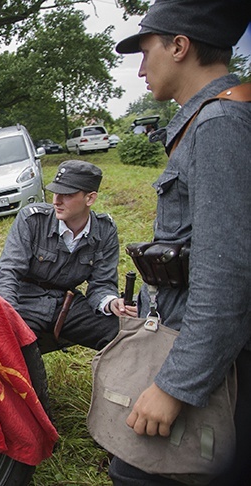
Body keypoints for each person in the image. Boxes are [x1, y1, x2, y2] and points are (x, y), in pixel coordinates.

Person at [111, 1, 251, 483]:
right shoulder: (210, 120)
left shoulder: (219, 126)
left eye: (146, 51)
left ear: (179, 46)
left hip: (220, 367)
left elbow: (227, 275)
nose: (141, 68)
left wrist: (174, 386)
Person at [0, 160, 136, 353]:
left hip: (66, 302)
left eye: (67, 195)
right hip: (25, 298)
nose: (56, 201)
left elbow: (102, 283)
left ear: (90, 198)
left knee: (122, 334)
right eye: (55, 192)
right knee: (15, 348)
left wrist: (111, 303)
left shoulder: (105, 230)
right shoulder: (33, 220)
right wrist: (9, 315)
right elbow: (9, 272)